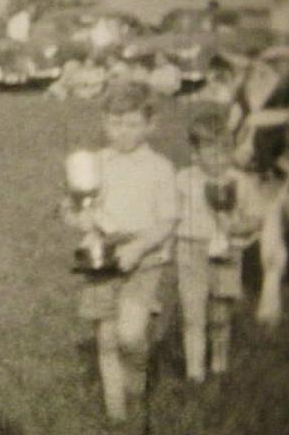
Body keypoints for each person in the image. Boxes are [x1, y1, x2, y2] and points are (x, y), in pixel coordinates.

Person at [62, 82, 177, 426]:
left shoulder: (160, 168)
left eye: (131, 124)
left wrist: (139, 247)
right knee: (108, 338)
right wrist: (79, 217)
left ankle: (136, 386)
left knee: (130, 334)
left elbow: (168, 220)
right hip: (101, 260)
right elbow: (70, 207)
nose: (122, 132)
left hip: (144, 259)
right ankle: (118, 413)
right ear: (103, 122)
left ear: (150, 125)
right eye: (114, 123)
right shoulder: (93, 162)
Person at [176, 105, 256, 383]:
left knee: (220, 314)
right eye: (212, 153)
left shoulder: (239, 181)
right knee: (193, 314)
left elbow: (251, 220)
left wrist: (237, 226)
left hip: (226, 251)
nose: (221, 159)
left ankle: (219, 361)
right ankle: (194, 371)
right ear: (195, 155)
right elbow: (168, 217)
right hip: (190, 251)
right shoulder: (183, 180)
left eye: (226, 150)